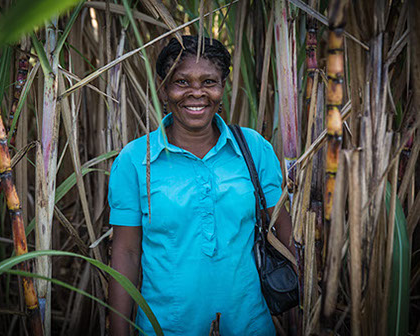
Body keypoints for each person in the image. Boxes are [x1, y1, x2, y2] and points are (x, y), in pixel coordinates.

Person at [108, 35, 296, 336]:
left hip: (251, 324)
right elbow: (126, 253)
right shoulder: (134, 159)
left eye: (209, 81)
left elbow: (283, 236)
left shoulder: (253, 148)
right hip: (166, 327)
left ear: (223, 86)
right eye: (182, 82)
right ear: (164, 88)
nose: (197, 93)